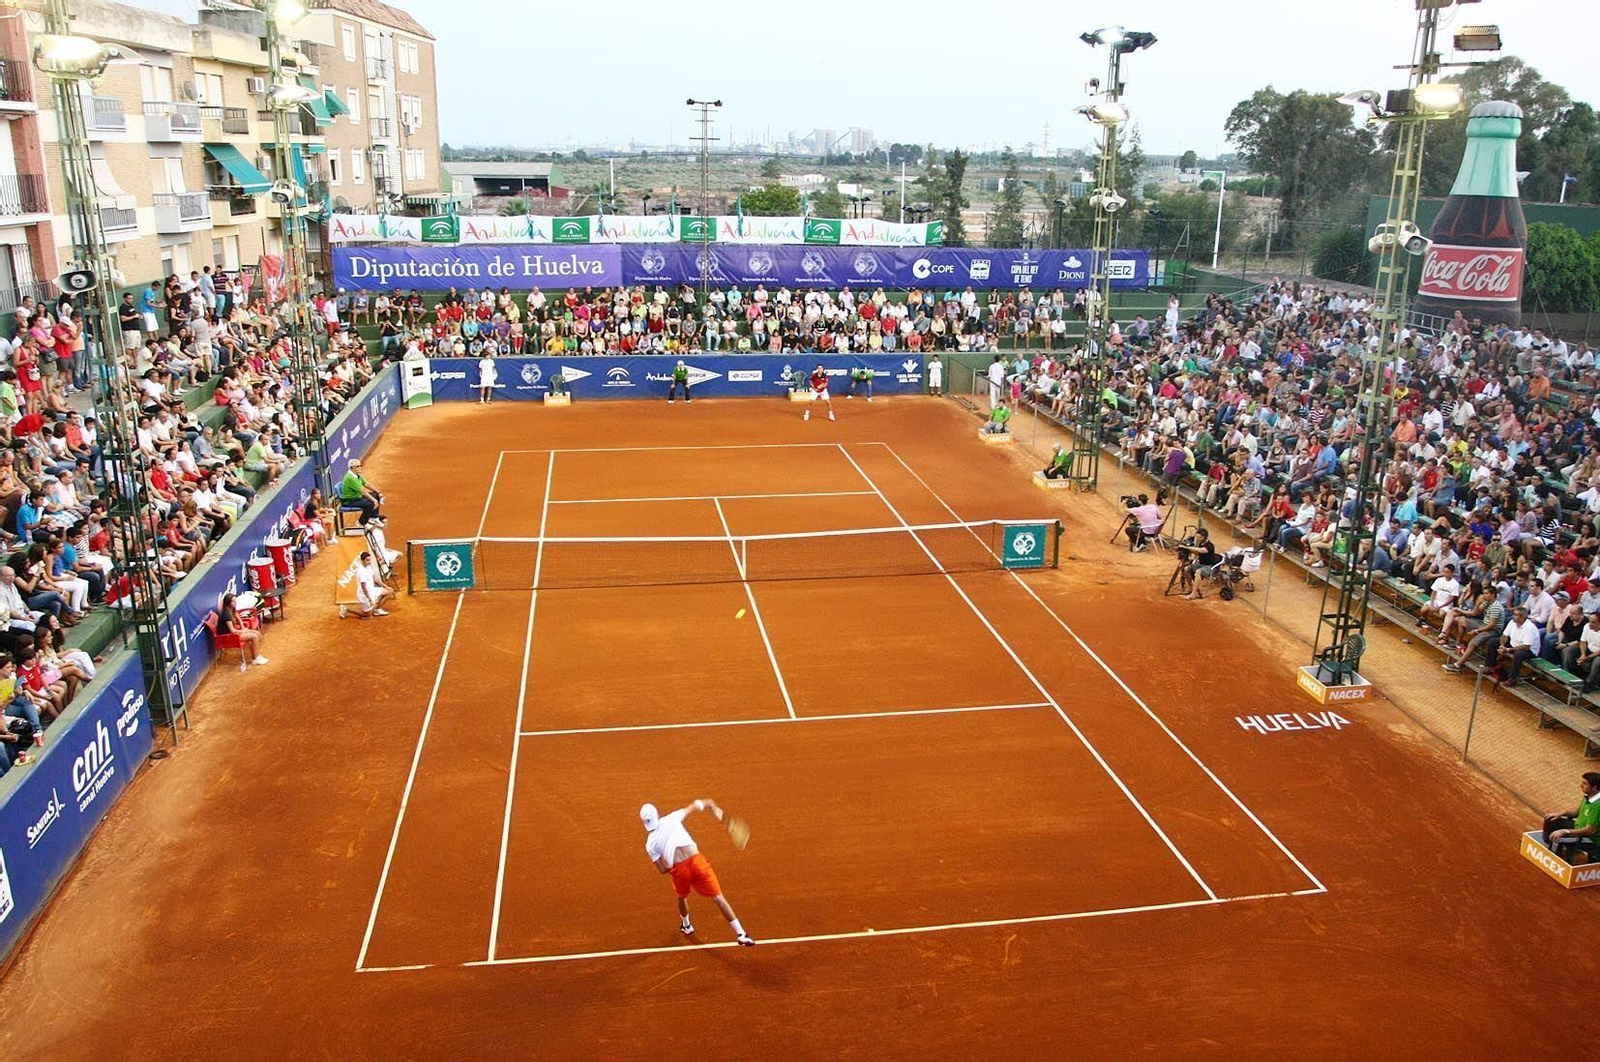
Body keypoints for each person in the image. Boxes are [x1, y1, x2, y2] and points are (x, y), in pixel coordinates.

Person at [640, 798, 755, 946]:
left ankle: (686, 925)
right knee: (718, 898)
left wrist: (671, 865)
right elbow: (694, 806)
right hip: (697, 862)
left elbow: (663, 869)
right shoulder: (672, 818)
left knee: (681, 897)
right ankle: (741, 934)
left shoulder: (649, 844)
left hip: (679, 871)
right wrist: (707, 803)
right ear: (657, 814)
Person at [1541, 772, 1600, 864]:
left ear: (1594, 788)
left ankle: (1553, 860)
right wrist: (1561, 814)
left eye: (1585, 784)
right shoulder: (1588, 796)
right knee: (1551, 820)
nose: (1581, 785)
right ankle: (1555, 846)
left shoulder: (1597, 806)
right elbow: (1577, 813)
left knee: (1559, 838)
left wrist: (1565, 831)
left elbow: (1589, 831)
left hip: (1591, 839)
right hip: (1579, 828)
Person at [216, 592, 267, 670]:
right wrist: (243, 631)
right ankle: (255, 659)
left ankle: (256, 655)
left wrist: (243, 627)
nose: (235, 603)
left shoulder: (232, 609)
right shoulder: (226, 615)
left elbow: (239, 619)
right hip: (229, 636)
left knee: (257, 633)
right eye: (233, 601)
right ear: (228, 603)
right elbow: (232, 631)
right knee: (254, 636)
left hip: (234, 633)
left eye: (235, 601)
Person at [340, 550, 394, 619]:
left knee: (389, 591)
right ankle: (345, 608)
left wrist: (387, 587)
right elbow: (364, 588)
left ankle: (377, 610)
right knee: (367, 615)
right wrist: (370, 599)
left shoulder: (369, 567)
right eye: (367, 560)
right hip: (364, 594)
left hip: (372, 590)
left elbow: (376, 579)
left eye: (370, 560)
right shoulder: (361, 572)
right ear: (362, 560)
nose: (369, 562)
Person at [338, 458, 384, 526]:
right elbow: (363, 492)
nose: (360, 467)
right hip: (350, 501)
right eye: (357, 466)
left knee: (376, 495)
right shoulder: (350, 478)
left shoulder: (357, 475)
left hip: (357, 497)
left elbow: (366, 484)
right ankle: (361, 522)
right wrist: (374, 501)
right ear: (352, 468)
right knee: (370, 504)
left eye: (360, 465)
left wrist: (378, 492)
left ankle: (374, 517)